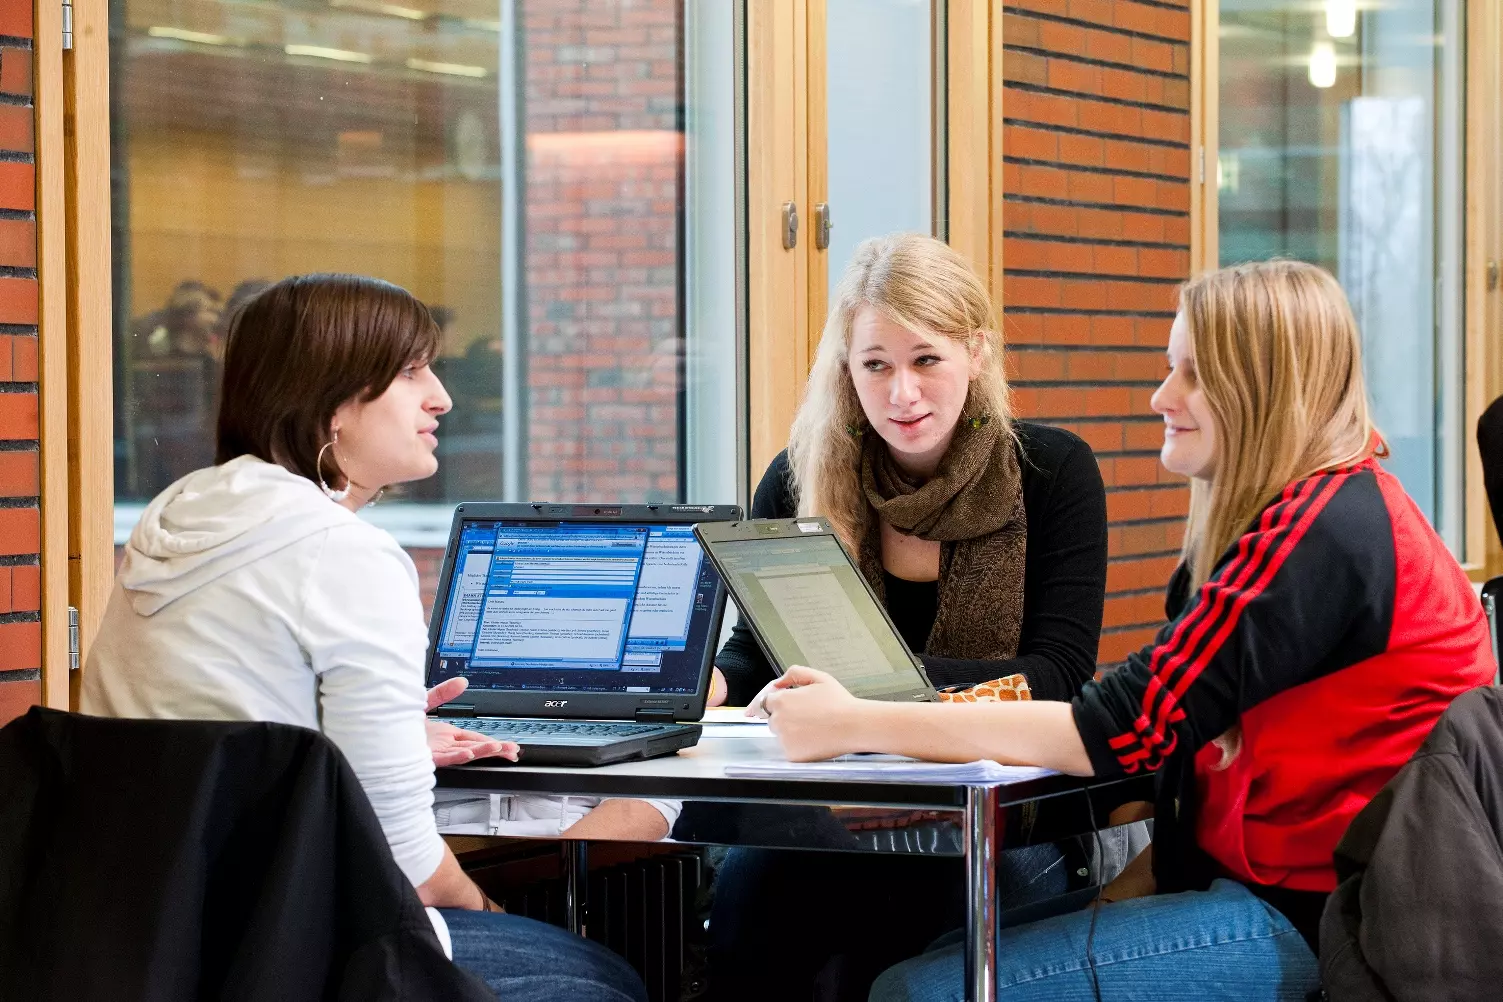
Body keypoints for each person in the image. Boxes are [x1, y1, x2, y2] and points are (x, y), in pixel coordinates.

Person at [745, 260, 1495, 1001]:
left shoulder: (1320, 533)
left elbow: (1122, 726)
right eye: (1170, 369)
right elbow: (1176, 743)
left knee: (919, 989)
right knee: (918, 956)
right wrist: (1136, 882)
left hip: (1327, 914)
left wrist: (856, 720)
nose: (1160, 396)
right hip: (1259, 882)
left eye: (1192, 375)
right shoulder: (1334, 508)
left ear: (1265, 387)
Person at [82, 273, 648, 1002]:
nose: (440, 396)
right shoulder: (338, 552)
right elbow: (401, 852)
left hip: (161, 931)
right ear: (334, 405)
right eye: (411, 373)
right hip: (302, 943)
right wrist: (485, 908)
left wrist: (382, 737)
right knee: (602, 978)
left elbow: (224, 725)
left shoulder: (182, 517)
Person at [704, 233, 1109, 1001]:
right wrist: (714, 686)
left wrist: (858, 701)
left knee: (911, 944)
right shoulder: (798, 477)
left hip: (1006, 818)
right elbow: (758, 656)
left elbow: (1056, 676)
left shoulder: (1052, 471)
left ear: (976, 353)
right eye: (875, 364)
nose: (902, 393)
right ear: (847, 369)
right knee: (749, 904)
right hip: (837, 806)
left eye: (926, 359)